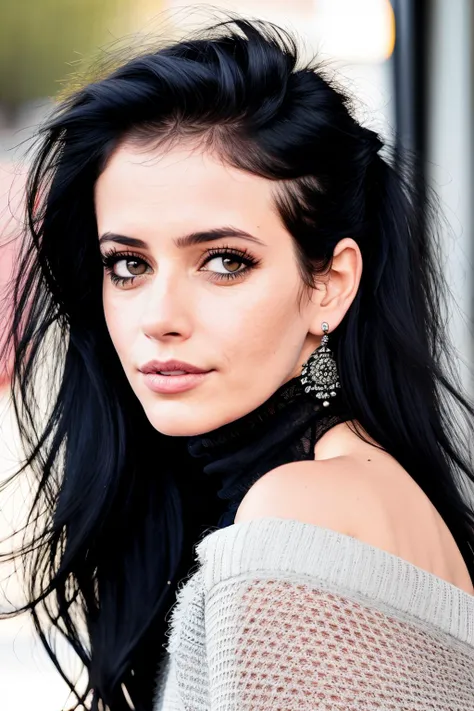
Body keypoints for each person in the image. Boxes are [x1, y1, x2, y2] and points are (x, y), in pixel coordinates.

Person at [1, 14, 474, 711]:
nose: (159, 316)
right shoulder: (342, 484)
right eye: (128, 264)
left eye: (225, 261)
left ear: (329, 284)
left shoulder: (298, 514)